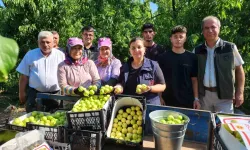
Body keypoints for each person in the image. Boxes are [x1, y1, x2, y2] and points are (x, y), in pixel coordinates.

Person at [194, 16, 245, 113]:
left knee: (224, 126)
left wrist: (240, 92)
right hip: (204, 96)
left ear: (219, 28)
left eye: (213, 27)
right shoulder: (197, 50)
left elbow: (239, 70)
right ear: (202, 31)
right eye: (206, 28)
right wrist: (195, 97)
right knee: (206, 125)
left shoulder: (230, 48)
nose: (210, 30)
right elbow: (194, 75)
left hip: (224, 97)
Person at [16, 31, 65, 112]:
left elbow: (65, 75)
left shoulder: (60, 55)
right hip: (34, 94)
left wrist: (64, 92)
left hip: (55, 94)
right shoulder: (30, 55)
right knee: (32, 119)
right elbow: (24, 76)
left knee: (54, 120)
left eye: (48, 42)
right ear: (38, 43)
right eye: (42, 42)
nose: (45, 45)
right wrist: (21, 93)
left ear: (53, 42)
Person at [158, 25, 200, 109]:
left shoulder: (192, 57)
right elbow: (159, 79)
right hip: (167, 100)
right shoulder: (162, 57)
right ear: (171, 39)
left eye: (181, 37)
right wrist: (159, 97)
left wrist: (196, 99)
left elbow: (194, 80)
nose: (178, 39)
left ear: (185, 39)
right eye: (175, 37)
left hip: (187, 101)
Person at [114, 37, 166, 105]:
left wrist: (150, 88)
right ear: (130, 50)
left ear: (144, 49)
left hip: (149, 105)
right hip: (130, 107)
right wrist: (118, 86)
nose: (136, 50)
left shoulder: (154, 65)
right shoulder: (124, 67)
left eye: (139, 47)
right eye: (133, 48)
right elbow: (120, 82)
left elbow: (162, 86)